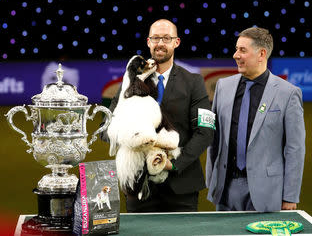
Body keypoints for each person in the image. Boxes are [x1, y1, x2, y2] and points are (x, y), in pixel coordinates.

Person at [106, 18, 214, 212]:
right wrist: (133, 140)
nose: (160, 43)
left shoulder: (194, 82)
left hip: (182, 187)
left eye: (166, 38)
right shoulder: (131, 82)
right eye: (155, 38)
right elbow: (107, 127)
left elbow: (205, 132)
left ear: (176, 42)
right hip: (139, 186)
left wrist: (173, 165)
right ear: (148, 42)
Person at [205, 27, 305, 212]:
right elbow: (214, 139)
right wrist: (212, 182)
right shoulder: (223, 87)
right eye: (236, 49)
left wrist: (290, 196)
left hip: (267, 192)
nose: (236, 55)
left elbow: (295, 149)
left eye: (242, 50)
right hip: (225, 190)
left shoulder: (288, 93)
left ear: (261, 54)